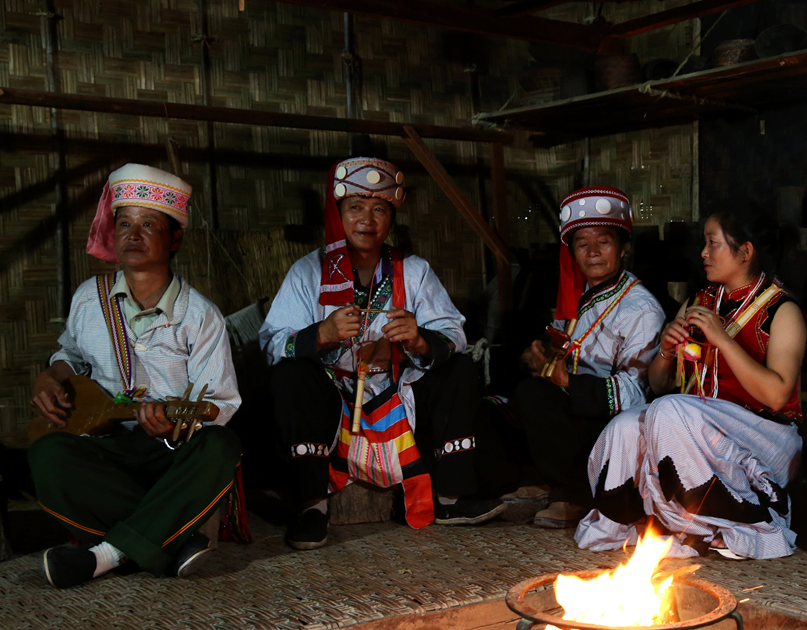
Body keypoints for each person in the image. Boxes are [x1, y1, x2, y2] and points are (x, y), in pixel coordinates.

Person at [260, 157, 502, 550]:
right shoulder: (309, 271)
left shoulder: (414, 271)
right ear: (339, 214)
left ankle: (451, 499)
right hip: (334, 400)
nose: (366, 220)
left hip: (397, 397)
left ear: (391, 218)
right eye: (355, 207)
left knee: (458, 367)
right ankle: (312, 509)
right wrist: (319, 334)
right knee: (290, 376)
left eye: (379, 209)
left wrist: (420, 341)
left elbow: (453, 332)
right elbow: (272, 344)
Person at [29, 164, 243, 589]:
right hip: (107, 448)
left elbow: (221, 403)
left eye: (149, 224)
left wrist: (172, 422)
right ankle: (169, 540)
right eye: (124, 223)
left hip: (170, 454)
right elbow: (69, 354)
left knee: (221, 446)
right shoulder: (90, 298)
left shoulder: (200, 316)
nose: (133, 234)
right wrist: (49, 376)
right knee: (48, 454)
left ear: (175, 238)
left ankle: (104, 556)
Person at [576, 208, 807, 559]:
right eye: (704, 243)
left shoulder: (781, 310)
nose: (703, 253)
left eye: (713, 244)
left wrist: (724, 339)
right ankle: (624, 520)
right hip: (695, 429)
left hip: (765, 436)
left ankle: (728, 523)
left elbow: (777, 396)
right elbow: (658, 384)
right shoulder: (700, 302)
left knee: (669, 410)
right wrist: (667, 351)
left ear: (745, 252)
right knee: (626, 424)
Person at [483, 186, 664, 528]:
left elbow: (637, 393)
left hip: (609, 422)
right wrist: (536, 356)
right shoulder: (577, 294)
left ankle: (576, 493)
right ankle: (542, 480)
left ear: (623, 249)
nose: (593, 252)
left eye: (604, 242)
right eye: (582, 244)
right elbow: (558, 344)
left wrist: (566, 381)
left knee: (534, 397)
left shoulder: (640, 308)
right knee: (491, 408)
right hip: (566, 409)